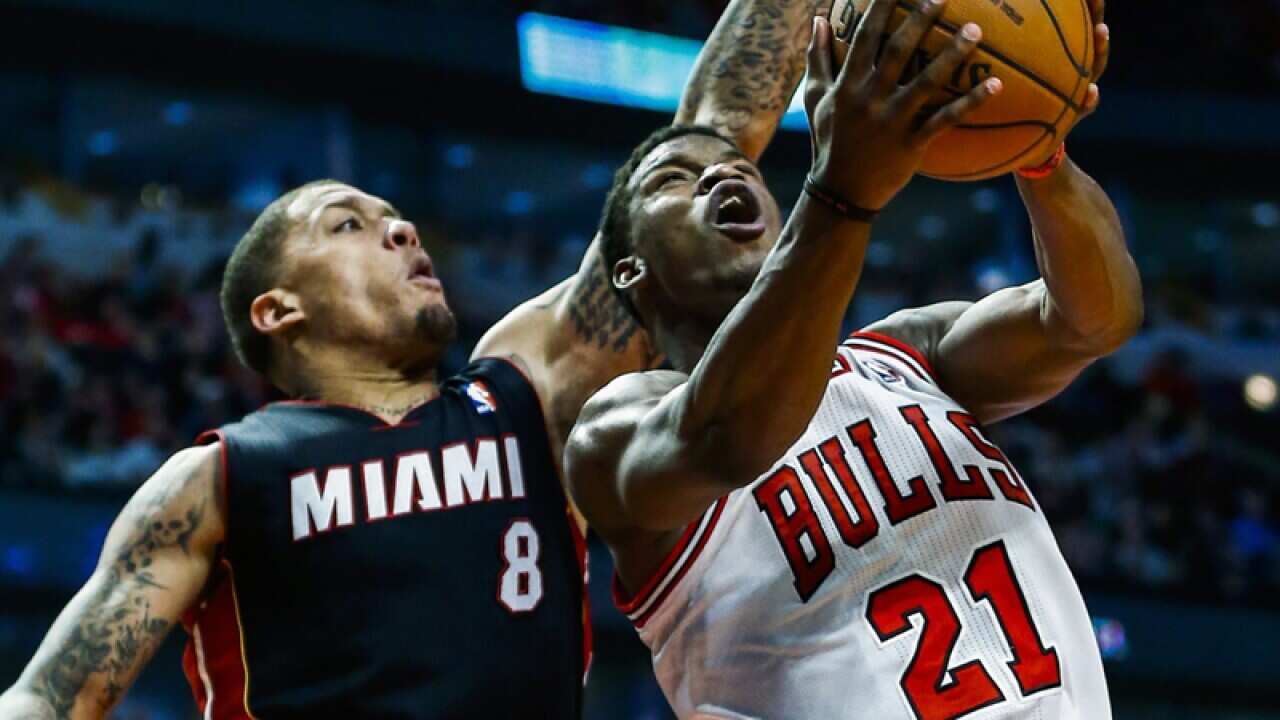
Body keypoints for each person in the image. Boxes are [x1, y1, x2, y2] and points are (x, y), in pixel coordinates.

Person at [0, 1, 833, 717]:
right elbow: (49, 698)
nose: (401, 230)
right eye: (348, 224)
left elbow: (708, 138)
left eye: (397, 217)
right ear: (278, 310)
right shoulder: (217, 478)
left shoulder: (527, 395)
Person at [565, 1, 1140, 718]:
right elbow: (731, 437)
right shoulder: (614, 432)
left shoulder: (908, 354)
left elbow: (1094, 319)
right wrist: (840, 192)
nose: (720, 177)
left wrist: (1039, 149)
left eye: (738, 167)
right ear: (627, 271)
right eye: (674, 180)